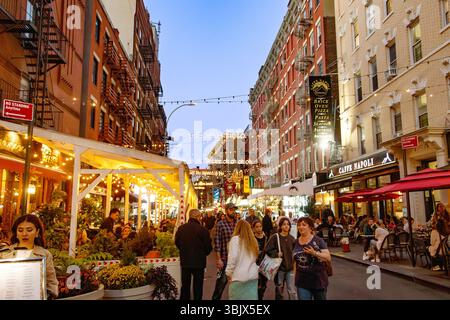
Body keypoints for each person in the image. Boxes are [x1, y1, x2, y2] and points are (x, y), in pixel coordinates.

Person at [0, 214, 58, 299]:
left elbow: (51, 282)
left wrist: (46, 295)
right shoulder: (4, 253)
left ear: (37, 232)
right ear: (16, 233)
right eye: (20, 230)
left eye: (29, 230)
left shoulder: (44, 254)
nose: (24, 234)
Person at [175, 209, 212, 300]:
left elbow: (177, 243)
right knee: (198, 287)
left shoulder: (181, 229)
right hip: (199, 262)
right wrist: (204, 253)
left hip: (185, 261)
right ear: (197, 217)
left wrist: (184, 251)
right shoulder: (203, 230)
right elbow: (208, 247)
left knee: (185, 286)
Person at [293, 217, 331, 300]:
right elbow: (295, 262)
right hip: (302, 282)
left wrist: (314, 253)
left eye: (304, 225)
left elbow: (328, 257)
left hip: (318, 281)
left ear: (310, 227)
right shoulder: (295, 242)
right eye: (299, 225)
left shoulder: (318, 241)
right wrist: (295, 277)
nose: (300, 227)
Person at [225, 220, 259, 300]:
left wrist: (228, 273)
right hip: (252, 276)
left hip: (238, 277)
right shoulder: (253, 241)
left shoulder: (235, 240)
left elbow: (233, 258)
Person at [264, 217, 296, 300]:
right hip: (279, 269)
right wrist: (276, 254)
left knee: (292, 290)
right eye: (284, 224)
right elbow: (267, 249)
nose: (286, 226)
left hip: (290, 268)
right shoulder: (275, 237)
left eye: (288, 224)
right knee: (279, 290)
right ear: (280, 226)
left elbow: (295, 253)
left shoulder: (292, 239)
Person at [212, 203, 237, 300]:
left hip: (237, 259)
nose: (233, 211)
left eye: (234, 209)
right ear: (226, 211)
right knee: (221, 284)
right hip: (225, 258)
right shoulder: (220, 224)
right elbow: (217, 242)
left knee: (236, 284)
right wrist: (219, 259)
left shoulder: (238, 223)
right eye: (231, 209)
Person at [252, 220, 268, 300]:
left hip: (264, 264)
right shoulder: (252, 238)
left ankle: (260, 297)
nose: (259, 228)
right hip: (254, 264)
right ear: (254, 228)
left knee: (264, 284)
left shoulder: (266, 237)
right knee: (256, 284)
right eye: (257, 227)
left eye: (260, 226)